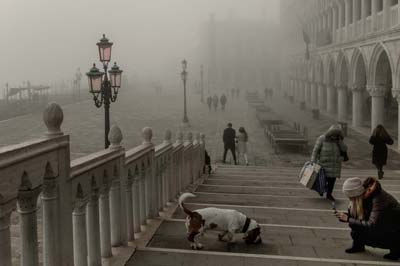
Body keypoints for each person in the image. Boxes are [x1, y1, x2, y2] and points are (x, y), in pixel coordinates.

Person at [336, 177, 400, 260]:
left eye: (351, 197)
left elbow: (372, 224)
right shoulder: (364, 195)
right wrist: (347, 216)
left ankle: (396, 249)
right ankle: (358, 245)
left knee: (357, 222)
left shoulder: (378, 199)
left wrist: (348, 219)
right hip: (383, 222)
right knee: (354, 219)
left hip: (394, 227)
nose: (349, 199)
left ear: (356, 194)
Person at [311, 124, 347, 201]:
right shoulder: (322, 138)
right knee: (322, 179)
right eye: (333, 134)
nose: (334, 136)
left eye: (337, 134)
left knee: (332, 181)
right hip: (324, 163)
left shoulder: (339, 140)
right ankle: (321, 190)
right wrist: (313, 160)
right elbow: (315, 150)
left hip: (335, 164)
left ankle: (329, 194)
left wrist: (340, 141)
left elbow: (344, 149)